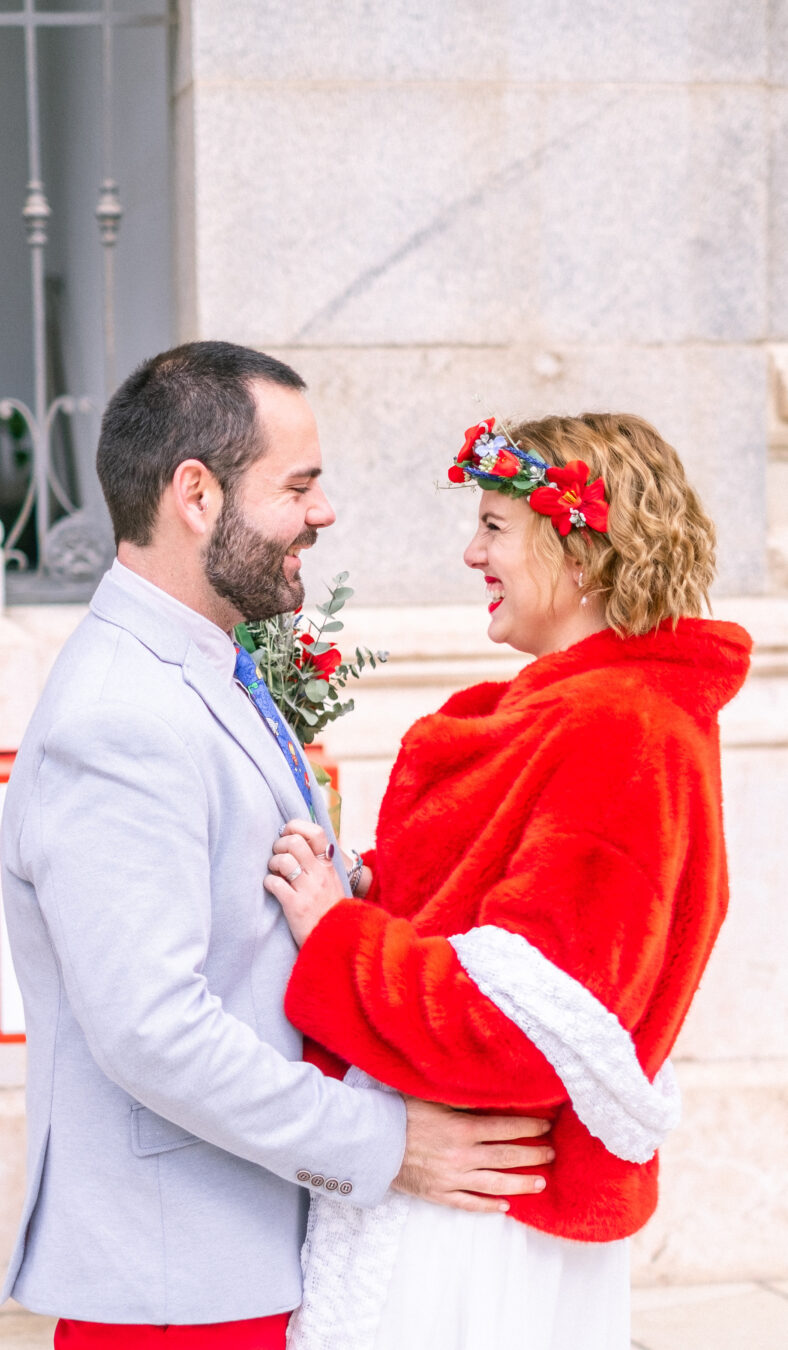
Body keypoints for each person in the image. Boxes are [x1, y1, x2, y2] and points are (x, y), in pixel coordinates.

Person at [0, 343, 554, 1350]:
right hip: (184, 1283)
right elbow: (153, 1029)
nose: (324, 512)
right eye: (299, 485)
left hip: (239, 1257)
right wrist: (392, 1146)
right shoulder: (119, 716)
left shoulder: (196, 663)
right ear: (197, 495)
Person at [267, 412, 752, 1350]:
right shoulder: (589, 714)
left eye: (494, 525)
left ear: (578, 549)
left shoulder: (619, 730)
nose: (469, 552)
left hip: (475, 1228)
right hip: (476, 1208)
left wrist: (336, 933)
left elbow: (526, 1023)